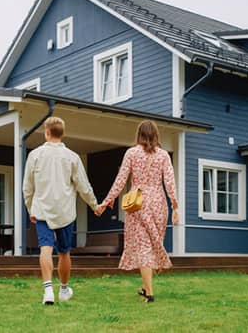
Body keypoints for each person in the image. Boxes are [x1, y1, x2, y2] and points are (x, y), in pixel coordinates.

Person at [96, 120, 179, 303]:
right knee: (153, 245)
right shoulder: (164, 155)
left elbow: (120, 179)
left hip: (137, 203)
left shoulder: (132, 153)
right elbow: (170, 182)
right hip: (158, 203)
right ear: (156, 134)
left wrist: (107, 201)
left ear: (139, 134)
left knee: (143, 248)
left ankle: (149, 293)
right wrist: (175, 206)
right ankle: (145, 288)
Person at [23, 116, 99, 305]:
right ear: (62, 134)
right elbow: (84, 186)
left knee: (45, 249)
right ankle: (63, 290)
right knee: (64, 252)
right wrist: (95, 206)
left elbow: (27, 187)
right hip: (65, 212)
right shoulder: (72, 157)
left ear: (47, 132)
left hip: (42, 211)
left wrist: (30, 208)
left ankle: (48, 290)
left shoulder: (35, 155)